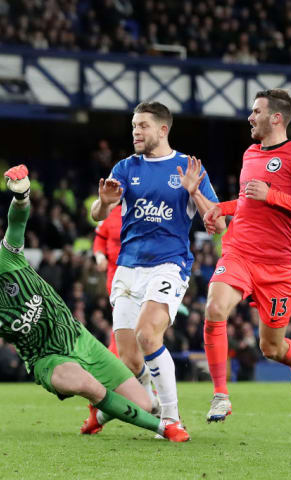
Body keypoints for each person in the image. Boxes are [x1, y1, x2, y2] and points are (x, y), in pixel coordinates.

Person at [0, 164, 189, 442]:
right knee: (86, 384)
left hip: (80, 338)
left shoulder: (7, 264)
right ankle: (165, 429)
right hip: (48, 361)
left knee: (142, 404)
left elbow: (17, 223)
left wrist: (21, 195)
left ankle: (99, 414)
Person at [90, 102, 225, 431]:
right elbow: (97, 215)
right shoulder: (126, 167)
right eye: (134, 125)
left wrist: (195, 191)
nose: (136, 131)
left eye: (143, 126)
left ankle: (171, 418)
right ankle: (144, 399)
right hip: (127, 268)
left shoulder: (187, 168)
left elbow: (219, 224)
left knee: (148, 335)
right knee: (130, 360)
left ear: (163, 129)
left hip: (168, 265)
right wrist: (105, 202)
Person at [201, 88, 291, 422]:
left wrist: (274, 195)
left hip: (277, 266)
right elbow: (247, 202)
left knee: (271, 348)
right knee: (215, 308)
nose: (250, 117)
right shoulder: (249, 154)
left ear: (276, 118)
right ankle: (220, 396)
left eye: (256, 111)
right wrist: (220, 209)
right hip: (239, 251)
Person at [92, 202, 122, 356]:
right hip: (115, 276)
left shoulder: (144, 211)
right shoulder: (110, 213)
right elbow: (99, 239)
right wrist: (99, 256)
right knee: (121, 318)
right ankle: (117, 358)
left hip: (140, 273)